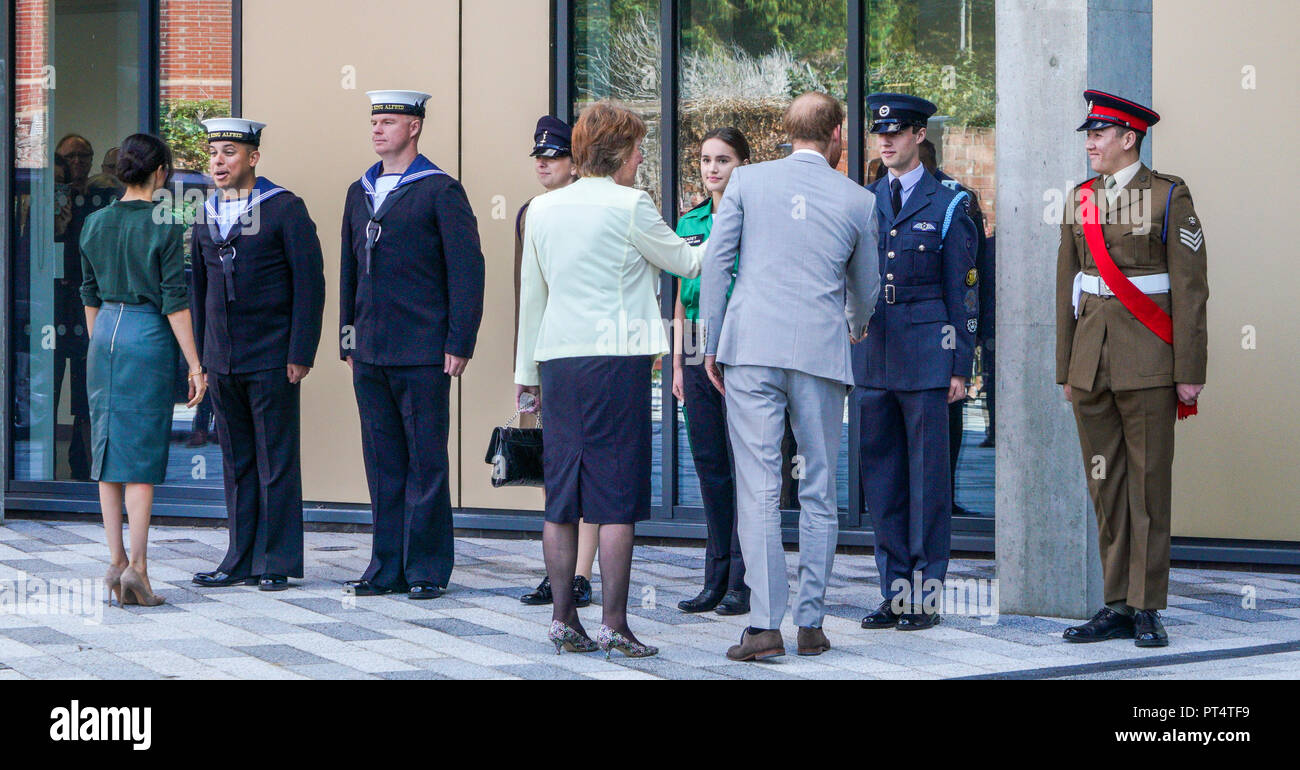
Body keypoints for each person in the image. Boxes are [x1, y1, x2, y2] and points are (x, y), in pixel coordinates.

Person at [515, 100, 703, 658]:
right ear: (619, 151)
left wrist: (526, 377)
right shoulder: (631, 205)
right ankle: (615, 625)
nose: (643, 157)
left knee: (562, 496)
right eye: (639, 147)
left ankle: (562, 618)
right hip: (616, 362)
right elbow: (687, 263)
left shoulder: (543, 210)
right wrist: (736, 228)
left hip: (559, 363)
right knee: (616, 496)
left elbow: (533, 297)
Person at [701, 93, 879, 661]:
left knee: (758, 487)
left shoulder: (748, 183)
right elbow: (867, 286)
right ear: (837, 136)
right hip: (821, 353)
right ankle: (811, 623)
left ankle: (762, 624)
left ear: (786, 130)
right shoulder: (858, 199)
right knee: (819, 487)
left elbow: (716, 261)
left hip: (751, 345)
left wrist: (712, 338)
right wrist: (854, 323)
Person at [1057, 90, 1207, 648]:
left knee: (1147, 485)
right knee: (1105, 484)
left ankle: (1147, 606)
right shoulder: (1080, 199)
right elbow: (1067, 287)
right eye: (1088, 135)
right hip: (1091, 361)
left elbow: (1191, 289)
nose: (1091, 143)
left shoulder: (1169, 195)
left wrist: (1190, 369)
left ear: (1129, 138)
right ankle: (1116, 603)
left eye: (1100, 134)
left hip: (1149, 358)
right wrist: (1066, 367)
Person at [340, 90, 485, 600]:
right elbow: (349, 271)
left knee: (426, 461)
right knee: (382, 461)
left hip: (424, 350)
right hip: (371, 351)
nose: (378, 129)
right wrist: (347, 339)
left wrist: (459, 340)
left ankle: (425, 567)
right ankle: (385, 566)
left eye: (389, 120)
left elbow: (467, 271)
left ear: (415, 127)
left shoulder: (440, 189)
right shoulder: (359, 191)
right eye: (374, 120)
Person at [854, 93, 979, 632]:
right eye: (880, 132)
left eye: (898, 131)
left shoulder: (952, 201)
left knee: (927, 482)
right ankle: (893, 592)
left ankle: (923, 595)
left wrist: (961, 366)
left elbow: (966, 291)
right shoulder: (865, 197)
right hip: (874, 353)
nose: (886, 140)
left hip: (929, 353)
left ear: (920, 135)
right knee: (882, 480)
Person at [190, 118, 326, 592]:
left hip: (272, 355)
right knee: (236, 461)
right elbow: (199, 287)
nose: (219, 162)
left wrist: (301, 350)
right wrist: (203, 358)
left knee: (276, 459)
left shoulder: (285, 208)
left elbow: (310, 283)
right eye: (214, 154)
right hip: (223, 359)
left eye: (229, 152)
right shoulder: (206, 212)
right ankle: (239, 556)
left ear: (253, 158)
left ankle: (276, 560)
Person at [79, 132, 207, 607]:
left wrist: (102, 347)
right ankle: (140, 567)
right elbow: (175, 301)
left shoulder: (94, 223)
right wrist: (195, 364)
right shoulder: (166, 223)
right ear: (161, 174)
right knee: (142, 459)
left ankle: (114, 563)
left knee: (107, 452)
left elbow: (88, 293)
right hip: (147, 335)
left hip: (105, 334)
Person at [511, 115, 597, 610]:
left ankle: (580, 574)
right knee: (559, 468)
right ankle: (561, 574)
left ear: (575, 161)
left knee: (586, 466)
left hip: (586, 354)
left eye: (555, 155)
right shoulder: (531, 212)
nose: (544, 163)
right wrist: (524, 369)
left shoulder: (592, 206)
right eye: (539, 156)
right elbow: (526, 296)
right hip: (546, 353)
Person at [671, 126, 750, 616]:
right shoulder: (690, 221)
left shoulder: (755, 218)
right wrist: (677, 362)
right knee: (710, 468)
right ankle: (714, 578)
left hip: (741, 350)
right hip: (698, 352)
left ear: (742, 164)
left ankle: (744, 582)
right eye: (705, 160)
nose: (712, 169)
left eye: (723, 160)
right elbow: (682, 296)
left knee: (746, 469)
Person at [918, 138, 989, 515]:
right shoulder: (874, 193)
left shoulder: (957, 200)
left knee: (948, 413)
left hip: (945, 328)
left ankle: (942, 498)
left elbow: (973, 272)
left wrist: (972, 334)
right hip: (892, 335)